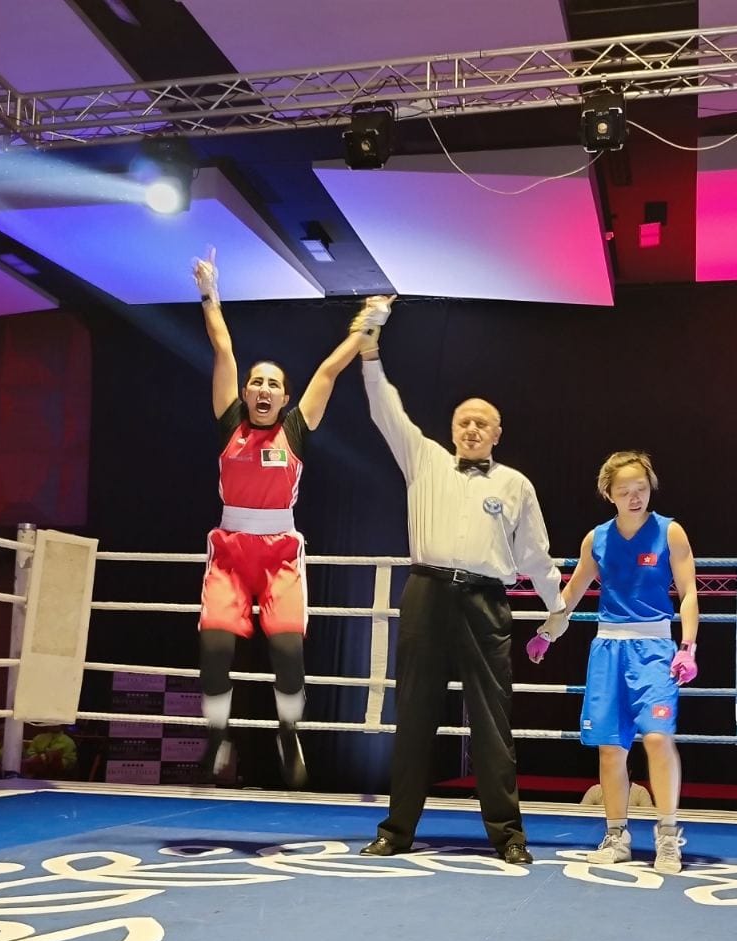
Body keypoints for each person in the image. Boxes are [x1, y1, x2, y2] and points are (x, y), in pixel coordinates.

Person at [354, 298, 564, 864]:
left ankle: (508, 836)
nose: (471, 429)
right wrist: (370, 350)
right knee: (414, 715)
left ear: (497, 433)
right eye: (464, 421)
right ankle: (396, 831)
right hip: (426, 594)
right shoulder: (423, 458)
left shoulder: (516, 483)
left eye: (481, 423)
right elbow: (385, 408)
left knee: (492, 721)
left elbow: (535, 554)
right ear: (452, 429)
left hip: (485, 602)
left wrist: (558, 608)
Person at [191, 248, 379, 789]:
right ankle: (216, 735)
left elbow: (329, 370)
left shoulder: (295, 430)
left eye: (274, 384)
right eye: (257, 382)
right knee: (215, 646)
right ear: (245, 391)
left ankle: (289, 732)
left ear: (285, 397)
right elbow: (223, 347)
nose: (264, 390)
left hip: (280, 553)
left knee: (288, 650)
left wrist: (367, 322)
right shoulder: (230, 421)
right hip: (229, 551)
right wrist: (210, 291)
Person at [527, 451, 699, 873]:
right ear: (609, 494)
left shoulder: (670, 532)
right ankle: (616, 835)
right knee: (610, 747)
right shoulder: (597, 539)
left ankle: (667, 835)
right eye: (624, 491)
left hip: (655, 648)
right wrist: (547, 632)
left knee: (658, 738)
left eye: (641, 488)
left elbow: (689, 591)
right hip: (608, 648)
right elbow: (572, 592)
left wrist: (688, 646)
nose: (634, 497)